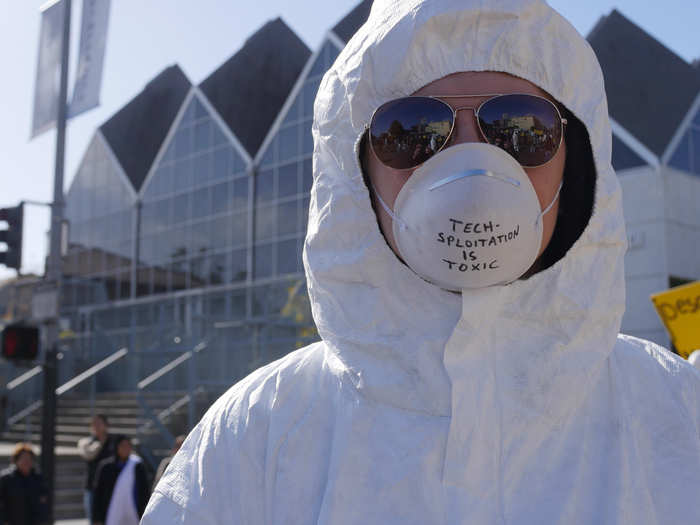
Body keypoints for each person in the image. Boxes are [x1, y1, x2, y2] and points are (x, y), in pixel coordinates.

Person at [143, 1, 700, 523]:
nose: (471, 162)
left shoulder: (678, 415)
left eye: (519, 128)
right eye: (410, 132)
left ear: (574, 159)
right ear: (356, 171)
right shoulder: (257, 437)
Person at [91, 436, 149, 525]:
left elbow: (145, 491)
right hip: (110, 514)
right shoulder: (106, 467)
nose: (125, 449)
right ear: (116, 447)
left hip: (135, 514)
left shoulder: (138, 466)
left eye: (128, 446)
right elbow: (98, 493)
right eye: (122, 446)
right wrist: (96, 519)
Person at [77, 414, 116, 521]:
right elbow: (88, 455)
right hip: (92, 487)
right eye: (93, 424)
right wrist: (99, 444)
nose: (96, 426)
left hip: (111, 488)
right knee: (94, 519)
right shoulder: (87, 443)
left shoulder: (114, 442)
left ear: (106, 425)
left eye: (99, 423)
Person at [0, 443, 48, 525]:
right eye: (24, 459)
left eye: (29, 459)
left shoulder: (38, 478)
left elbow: (43, 502)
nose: (27, 462)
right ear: (16, 460)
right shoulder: (6, 479)